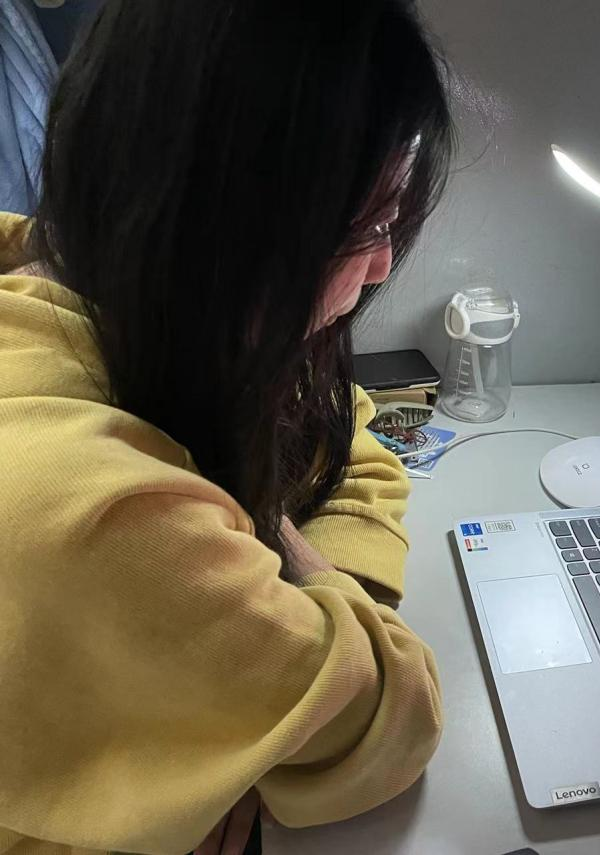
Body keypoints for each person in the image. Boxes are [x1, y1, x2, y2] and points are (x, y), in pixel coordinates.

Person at [0, 2, 454, 853]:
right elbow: (393, 717)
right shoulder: (102, 513)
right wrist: (300, 651)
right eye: (369, 225)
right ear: (233, 221)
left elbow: (347, 429)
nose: (385, 264)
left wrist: (253, 699)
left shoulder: (70, 281)